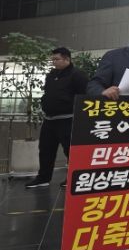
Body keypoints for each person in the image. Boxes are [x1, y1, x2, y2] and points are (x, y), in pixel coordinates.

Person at [26, 48, 88, 189]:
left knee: (70, 151)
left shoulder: (77, 75)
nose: (53, 62)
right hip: (49, 120)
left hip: (68, 119)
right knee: (45, 150)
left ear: (67, 59)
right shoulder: (51, 75)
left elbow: (85, 96)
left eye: (56, 59)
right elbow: (47, 93)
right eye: (52, 59)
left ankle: (73, 178)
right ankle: (43, 178)